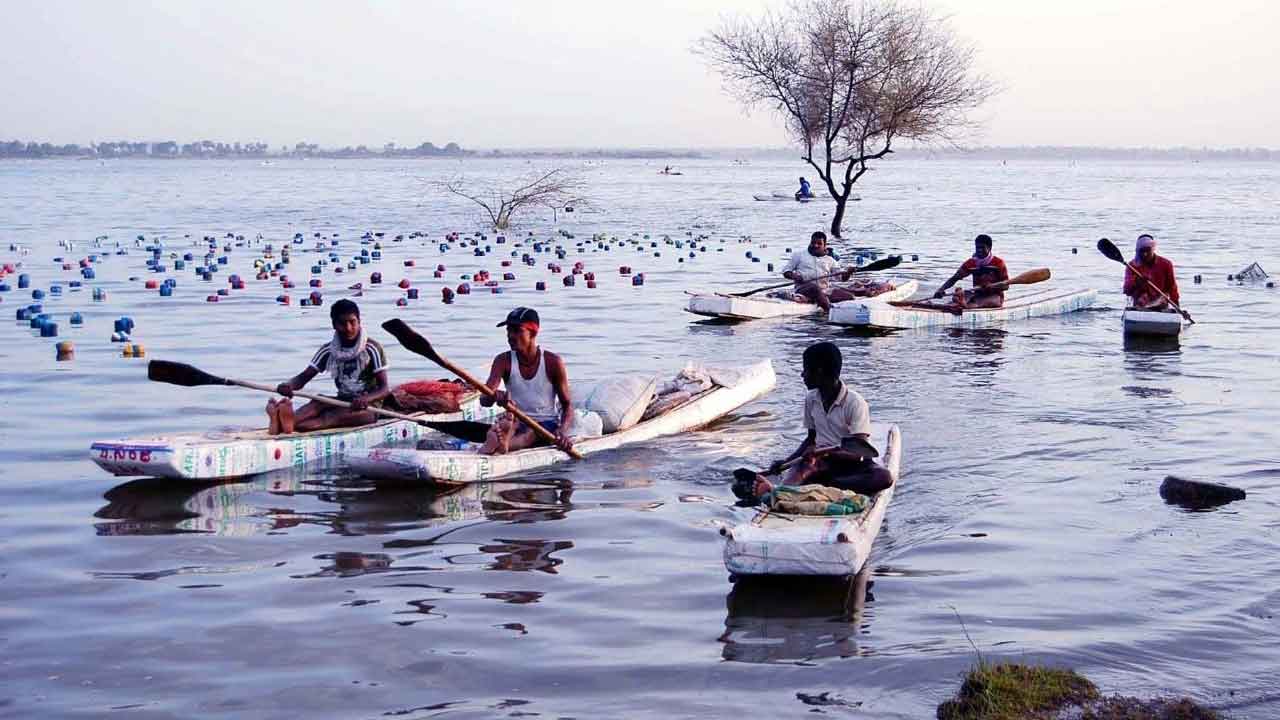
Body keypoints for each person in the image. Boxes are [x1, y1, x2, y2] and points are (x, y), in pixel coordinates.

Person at [746, 342, 893, 500]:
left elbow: (858, 453)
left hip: (852, 465)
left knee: (884, 477)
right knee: (801, 467)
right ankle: (779, 493)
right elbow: (811, 439)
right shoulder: (811, 399)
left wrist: (824, 451)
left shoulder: (855, 403)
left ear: (819, 372)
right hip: (821, 462)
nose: (802, 375)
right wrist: (785, 462)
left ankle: (825, 485)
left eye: (806, 370)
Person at [266, 299, 390, 435]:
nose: (348, 328)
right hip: (342, 400)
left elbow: (384, 389)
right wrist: (288, 385)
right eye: (342, 323)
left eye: (352, 322)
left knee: (332, 417)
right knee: (317, 403)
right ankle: (286, 423)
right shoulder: (328, 350)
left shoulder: (372, 349)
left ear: (359, 321)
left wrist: (366, 399)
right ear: (334, 325)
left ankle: (285, 425)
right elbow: (304, 377)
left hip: (369, 408)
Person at [478, 307, 575, 455]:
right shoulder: (503, 360)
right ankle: (501, 438)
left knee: (530, 433)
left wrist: (562, 431)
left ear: (533, 333)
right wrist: (494, 395)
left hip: (545, 424)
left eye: (517, 331)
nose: (510, 336)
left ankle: (503, 445)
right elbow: (484, 400)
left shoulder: (552, 362)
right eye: (508, 331)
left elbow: (567, 405)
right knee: (509, 423)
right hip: (516, 419)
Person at [932, 234, 1010, 309]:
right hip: (977, 294)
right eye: (977, 248)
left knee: (977, 302)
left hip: (995, 296)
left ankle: (964, 305)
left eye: (982, 248)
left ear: (989, 248)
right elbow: (954, 278)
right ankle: (958, 304)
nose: (979, 250)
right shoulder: (971, 263)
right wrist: (941, 290)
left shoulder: (998, 263)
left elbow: (1006, 286)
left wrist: (992, 286)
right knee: (957, 298)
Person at [783, 231, 855, 311]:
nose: (815, 245)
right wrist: (795, 276)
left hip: (824, 291)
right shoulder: (799, 255)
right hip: (803, 289)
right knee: (815, 288)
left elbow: (842, 278)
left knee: (850, 297)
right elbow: (786, 272)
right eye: (813, 243)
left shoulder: (830, 260)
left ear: (825, 246)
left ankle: (820, 300)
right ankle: (829, 311)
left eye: (819, 243)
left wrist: (848, 273)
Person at [1123, 234, 1180, 310]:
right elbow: (1127, 290)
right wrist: (1138, 282)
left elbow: (1172, 288)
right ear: (1137, 251)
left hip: (1161, 305)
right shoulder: (1132, 266)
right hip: (1139, 306)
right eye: (1142, 251)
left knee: (1162, 300)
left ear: (1153, 249)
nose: (1145, 254)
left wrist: (1178, 308)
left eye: (1148, 250)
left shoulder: (1166, 264)